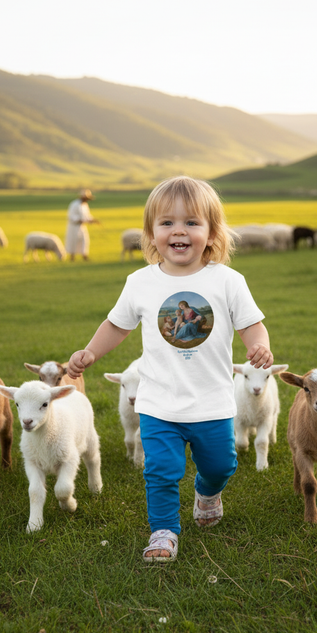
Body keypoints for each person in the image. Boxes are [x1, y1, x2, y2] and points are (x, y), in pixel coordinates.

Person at [67, 176, 273, 562]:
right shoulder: (140, 282)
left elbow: (250, 323)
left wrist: (258, 345)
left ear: (212, 233)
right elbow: (117, 324)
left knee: (221, 465)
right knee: (160, 470)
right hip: (158, 401)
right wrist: (90, 352)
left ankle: (207, 493)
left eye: (192, 223)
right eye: (167, 223)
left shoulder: (228, 281)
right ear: (151, 233)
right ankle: (163, 531)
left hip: (212, 400)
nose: (179, 230)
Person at [65, 189, 99, 261]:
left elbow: (87, 215)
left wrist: (92, 220)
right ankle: (72, 257)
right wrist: (79, 220)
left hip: (82, 226)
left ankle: (84, 256)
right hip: (74, 226)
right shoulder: (74, 204)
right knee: (74, 241)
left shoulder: (85, 205)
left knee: (84, 240)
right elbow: (71, 216)